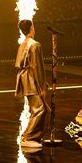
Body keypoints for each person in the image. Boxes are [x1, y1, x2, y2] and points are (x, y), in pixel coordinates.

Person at [15, 19, 49, 148]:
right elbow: (36, 66)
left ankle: (36, 136)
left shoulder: (23, 44)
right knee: (39, 109)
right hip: (31, 80)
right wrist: (41, 86)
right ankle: (28, 137)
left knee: (43, 109)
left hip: (25, 79)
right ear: (31, 28)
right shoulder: (35, 45)